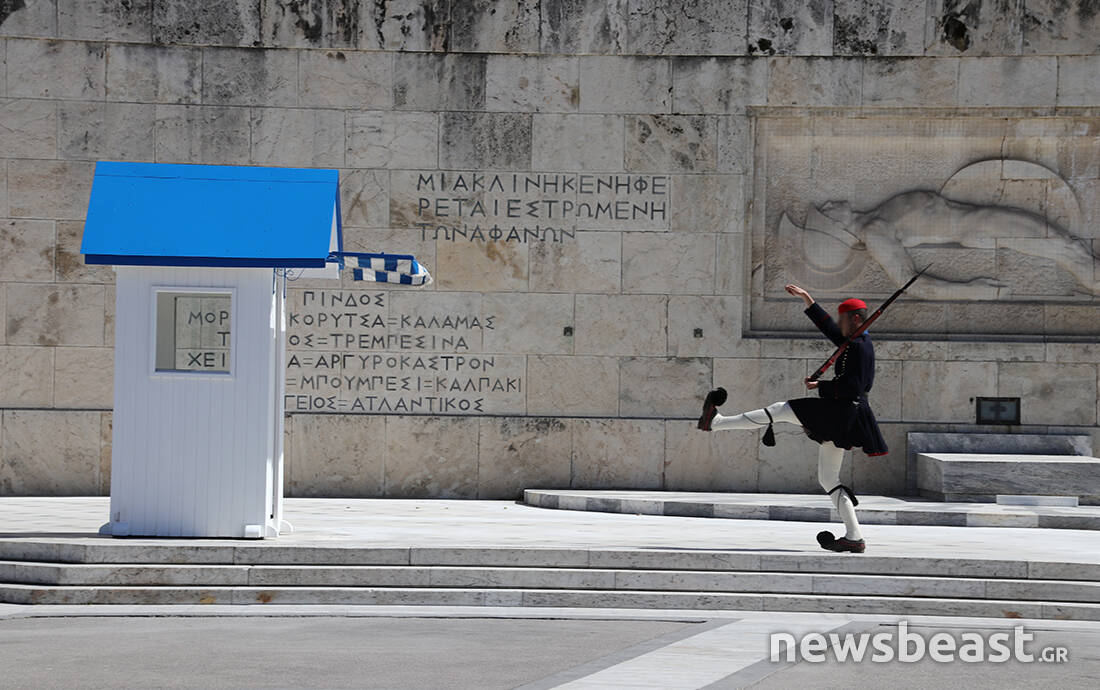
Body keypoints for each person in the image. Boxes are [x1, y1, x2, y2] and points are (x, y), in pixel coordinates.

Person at [697, 284, 888, 553]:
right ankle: (854, 537)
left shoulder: (859, 347)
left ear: (856, 319)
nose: (839, 324)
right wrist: (807, 299)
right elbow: (830, 330)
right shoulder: (853, 341)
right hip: (845, 416)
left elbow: (854, 387)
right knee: (828, 479)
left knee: (781, 410)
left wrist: (819, 387)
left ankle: (716, 423)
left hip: (843, 411)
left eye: (843, 319)